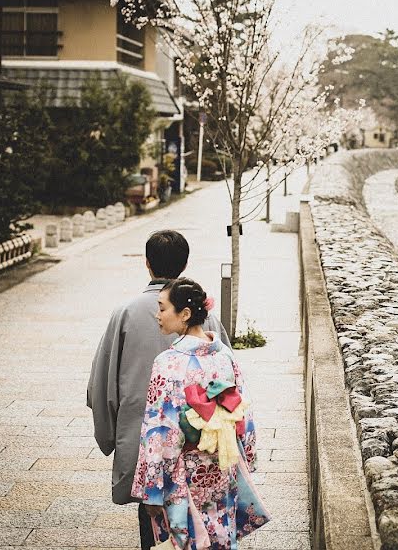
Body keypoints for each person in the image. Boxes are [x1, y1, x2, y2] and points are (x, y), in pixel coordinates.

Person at [87, 230, 231, 550]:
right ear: (185, 264)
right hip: (197, 446)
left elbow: (101, 388)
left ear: (147, 264)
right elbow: (228, 387)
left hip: (146, 448)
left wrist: (113, 436)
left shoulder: (125, 313)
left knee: (152, 524)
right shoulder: (205, 319)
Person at [132, 278, 268, 549]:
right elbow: (242, 412)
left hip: (185, 472)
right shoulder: (223, 356)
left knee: (188, 539)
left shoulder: (168, 363)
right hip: (223, 464)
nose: (157, 315)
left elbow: (160, 430)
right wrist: (247, 457)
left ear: (184, 314)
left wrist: (151, 487)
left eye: (162, 308)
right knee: (220, 534)